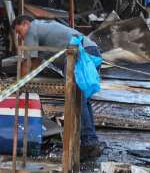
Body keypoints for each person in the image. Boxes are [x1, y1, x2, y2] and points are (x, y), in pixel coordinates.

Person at [13, 15, 102, 160]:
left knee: (78, 100)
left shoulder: (31, 30)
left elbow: (30, 61)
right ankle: (90, 141)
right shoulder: (43, 27)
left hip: (80, 53)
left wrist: (19, 84)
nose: (20, 36)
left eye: (19, 32)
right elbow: (38, 60)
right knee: (83, 100)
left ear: (25, 23)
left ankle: (89, 144)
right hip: (90, 49)